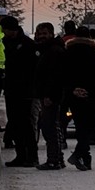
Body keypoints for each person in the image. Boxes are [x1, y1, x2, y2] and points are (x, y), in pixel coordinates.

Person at [63, 27, 95, 171]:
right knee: (90, 126)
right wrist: (87, 89)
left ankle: (84, 156)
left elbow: (64, 73)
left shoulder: (67, 53)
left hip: (73, 94)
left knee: (80, 125)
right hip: (90, 94)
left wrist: (74, 89)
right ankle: (80, 154)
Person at [1, 17, 39, 167]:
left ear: (12, 29)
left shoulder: (28, 45)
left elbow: (33, 71)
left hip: (25, 92)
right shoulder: (7, 42)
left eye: (4, 29)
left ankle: (32, 156)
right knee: (15, 124)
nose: (3, 32)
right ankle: (20, 155)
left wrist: (32, 90)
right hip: (11, 90)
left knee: (26, 125)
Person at [32, 22, 67, 170]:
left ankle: (53, 160)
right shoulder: (46, 50)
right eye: (39, 34)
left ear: (51, 34)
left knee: (49, 127)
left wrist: (48, 96)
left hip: (51, 96)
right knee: (52, 126)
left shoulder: (54, 51)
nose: (41, 36)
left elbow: (54, 76)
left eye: (44, 33)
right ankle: (57, 158)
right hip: (48, 95)